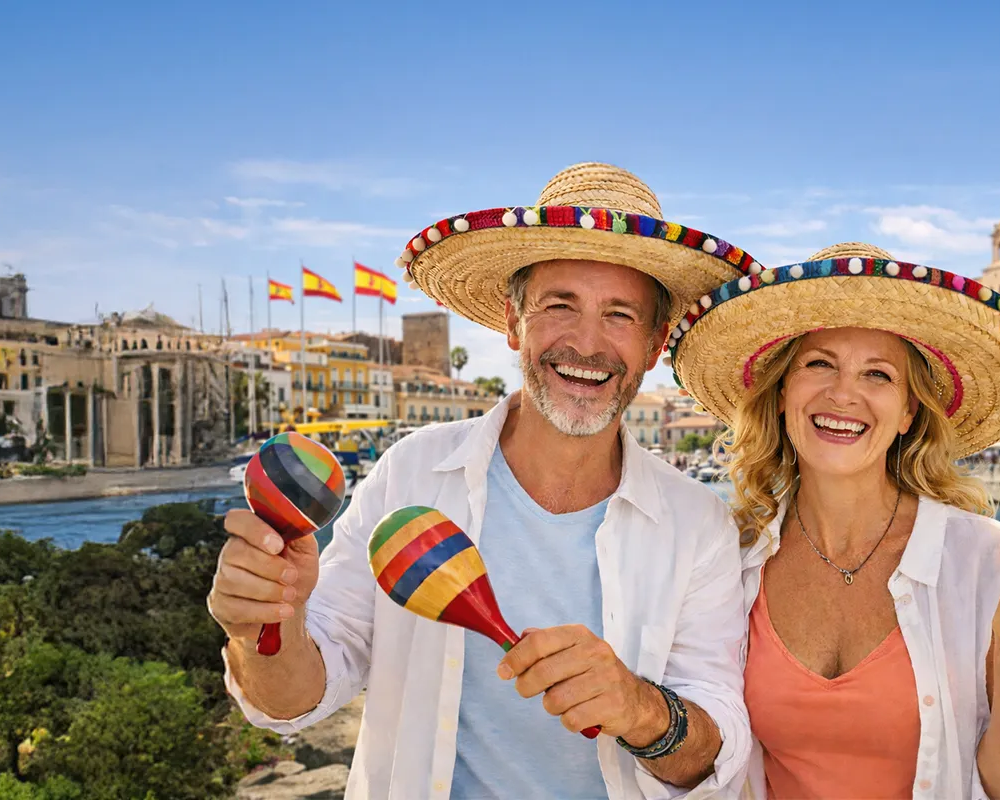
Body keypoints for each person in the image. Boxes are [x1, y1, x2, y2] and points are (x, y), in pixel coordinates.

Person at [209, 163, 762, 798]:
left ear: (656, 340)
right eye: (560, 306)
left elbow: (715, 752)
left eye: (619, 315)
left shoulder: (698, 523)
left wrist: (641, 710)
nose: (586, 342)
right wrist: (261, 629)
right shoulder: (410, 473)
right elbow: (297, 698)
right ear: (513, 321)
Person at [670, 243, 1000, 799]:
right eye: (819, 363)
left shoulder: (989, 562)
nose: (843, 393)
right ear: (783, 390)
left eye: (878, 375)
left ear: (910, 410)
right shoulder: (731, 560)